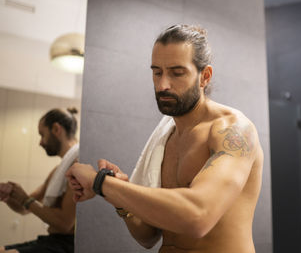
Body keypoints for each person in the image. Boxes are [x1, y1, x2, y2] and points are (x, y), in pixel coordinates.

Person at [66, 24, 264, 253]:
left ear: (204, 77)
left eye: (177, 73)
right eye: (157, 72)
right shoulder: (166, 138)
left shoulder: (233, 130)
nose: (162, 85)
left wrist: (100, 182)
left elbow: (198, 216)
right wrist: (118, 195)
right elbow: (148, 236)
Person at [0, 108, 79, 253]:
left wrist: (25, 199)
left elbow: (65, 224)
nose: (40, 142)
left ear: (56, 129)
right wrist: (10, 196)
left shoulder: (77, 167)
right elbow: (24, 208)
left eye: (42, 135)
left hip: (66, 246)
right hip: (53, 241)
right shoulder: (58, 171)